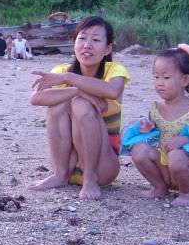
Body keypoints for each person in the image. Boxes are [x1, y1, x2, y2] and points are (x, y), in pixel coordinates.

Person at [29, 16, 131, 200]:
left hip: (101, 168)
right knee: (59, 103)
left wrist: (69, 79)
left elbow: (112, 91)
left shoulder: (114, 70)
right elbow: (36, 98)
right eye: (82, 38)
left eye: (96, 40)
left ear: (107, 49)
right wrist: (78, 90)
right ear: (74, 43)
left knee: (80, 104)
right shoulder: (61, 70)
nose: (87, 45)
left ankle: (89, 179)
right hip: (67, 165)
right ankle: (59, 175)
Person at [131, 44, 189, 206]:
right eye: (156, 77)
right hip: (163, 167)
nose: (159, 83)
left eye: (166, 78)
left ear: (185, 80)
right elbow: (154, 138)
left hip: (187, 170)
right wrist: (146, 129)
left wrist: (186, 139)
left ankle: (186, 193)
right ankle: (159, 187)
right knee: (139, 149)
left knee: (176, 156)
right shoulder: (155, 108)